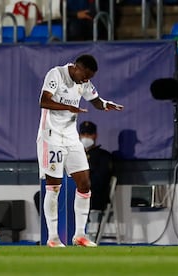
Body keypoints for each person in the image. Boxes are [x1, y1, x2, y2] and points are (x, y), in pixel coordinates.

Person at [37, 54, 123, 247]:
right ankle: (53, 238)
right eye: (85, 76)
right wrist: (68, 107)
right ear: (76, 67)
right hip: (51, 137)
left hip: (71, 138)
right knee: (54, 186)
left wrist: (106, 104)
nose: (86, 80)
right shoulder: (56, 74)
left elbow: (95, 100)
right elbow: (44, 101)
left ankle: (80, 235)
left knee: (84, 183)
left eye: (89, 78)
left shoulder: (83, 81)